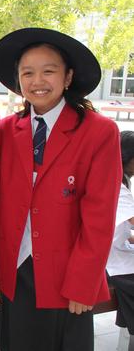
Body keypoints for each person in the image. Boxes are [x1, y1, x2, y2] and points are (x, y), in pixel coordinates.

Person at [0, 28, 121, 351]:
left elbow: (99, 217)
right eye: (27, 72)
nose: (37, 80)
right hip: (14, 274)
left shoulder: (99, 133)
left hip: (65, 278)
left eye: (49, 70)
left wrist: (83, 284)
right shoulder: (4, 130)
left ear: (68, 77)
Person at [106, 131, 134, 337]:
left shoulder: (121, 180)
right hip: (111, 262)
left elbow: (120, 228)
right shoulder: (116, 185)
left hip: (117, 252)